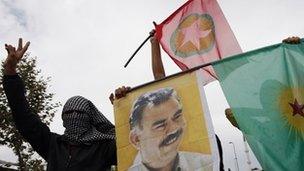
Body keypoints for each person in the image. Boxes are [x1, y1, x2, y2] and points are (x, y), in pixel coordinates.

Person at [2, 38, 129, 171]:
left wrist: (125, 106)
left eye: (79, 113)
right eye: (68, 113)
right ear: (63, 118)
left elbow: (136, 140)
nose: (73, 116)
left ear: (89, 117)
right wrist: (10, 68)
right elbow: (23, 116)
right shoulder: (52, 145)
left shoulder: (105, 147)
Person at [150, 30, 224, 171]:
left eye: (177, 115)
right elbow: (160, 79)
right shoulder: (169, 150)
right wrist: (154, 44)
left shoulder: (210, 144)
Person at [128, 87, 213, 171]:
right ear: (136, 139)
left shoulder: (208, 165)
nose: (174, 128)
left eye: (177, 116)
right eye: (160, 125)